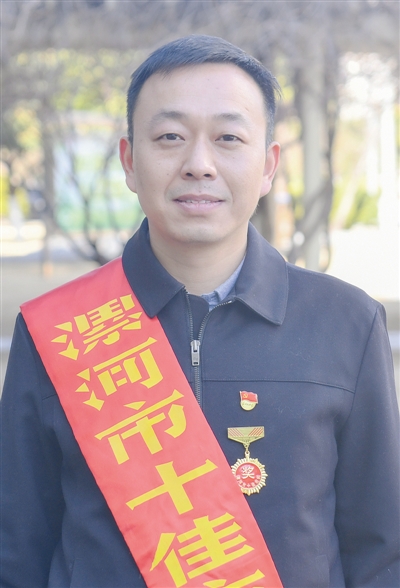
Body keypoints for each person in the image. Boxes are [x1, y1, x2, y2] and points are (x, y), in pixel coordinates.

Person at [1, 35, 399, 588]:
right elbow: (16, 549)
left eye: (228, 137)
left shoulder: (348, 324)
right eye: (170, 137)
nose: (199, 164)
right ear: (129, 161)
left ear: (268, 165)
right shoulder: (58, 332)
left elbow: (381, 553)